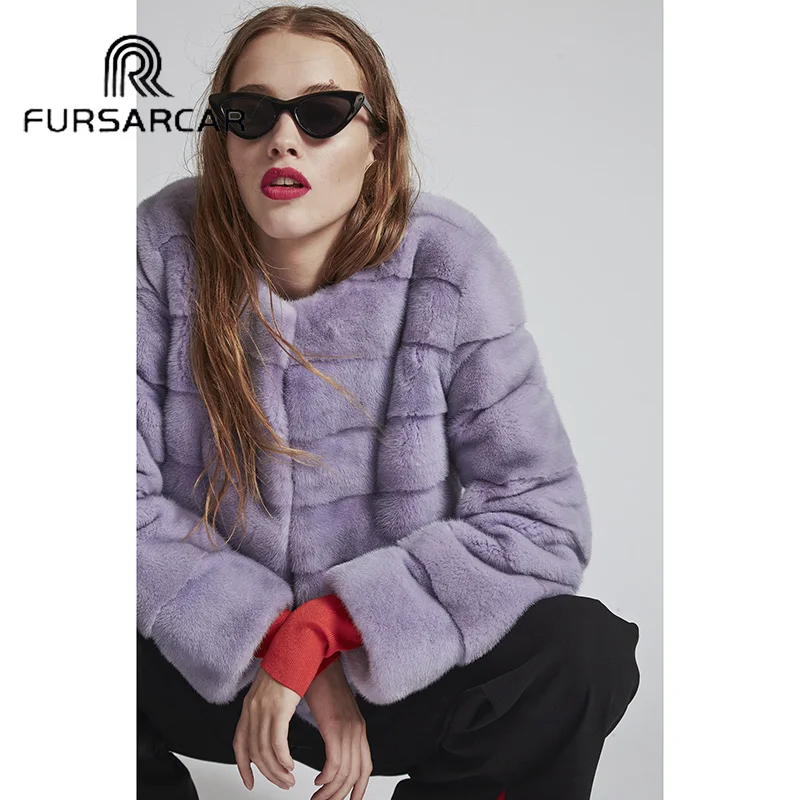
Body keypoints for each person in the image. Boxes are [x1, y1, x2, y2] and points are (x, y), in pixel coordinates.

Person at [137, 5, 641, 800]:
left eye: (323, 113)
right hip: (210, 659)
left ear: (378, 140)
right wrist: (268, 635)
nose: (283, 140)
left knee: (583, 652)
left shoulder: (448, 265)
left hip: (392, 667)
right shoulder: (159, 249)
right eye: (251, 113)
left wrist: (328, 630)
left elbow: (538, 520)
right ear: (222, 139)